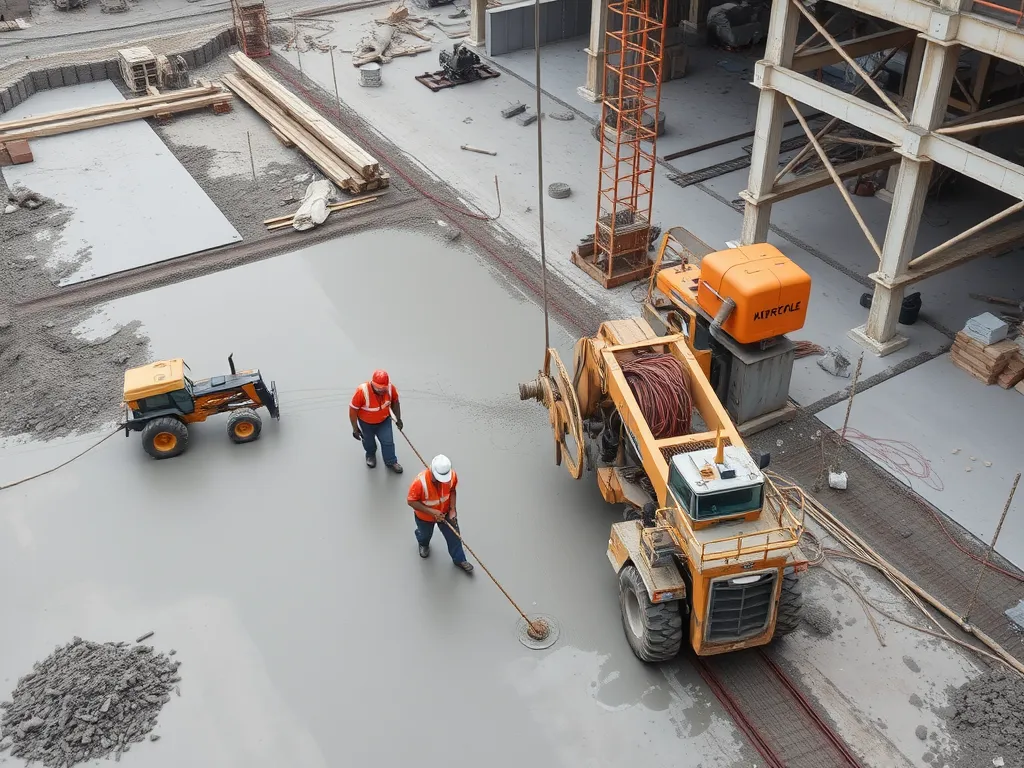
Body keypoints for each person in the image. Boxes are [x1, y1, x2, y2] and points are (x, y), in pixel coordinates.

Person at [407, 454, 474, 573]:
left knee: (454, 536)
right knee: (425, 535)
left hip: (446, 513)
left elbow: (452, 490)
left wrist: (452, 509)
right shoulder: (419, 483)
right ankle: (423, 543)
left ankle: (460, 559)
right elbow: (411, 501)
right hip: (425, 518)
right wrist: (432, 512)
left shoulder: (451, 476)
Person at [349, 370, 403, 473]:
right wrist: (355, 429)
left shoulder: (391, 389)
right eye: (378, 388)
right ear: (372, 384)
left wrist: (398, 419)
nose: (381, 391)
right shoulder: (362, 391)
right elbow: (353, 411)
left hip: (384, 421)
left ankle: (391, 461)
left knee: (388, 442)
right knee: (368, 441)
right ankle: (370, 454)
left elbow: (395, 403)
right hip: (366, 424)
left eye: (383, 388)